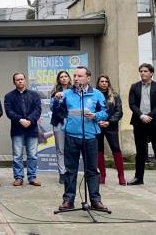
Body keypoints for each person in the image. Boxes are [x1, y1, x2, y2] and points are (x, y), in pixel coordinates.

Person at [52, 66, 109, 212]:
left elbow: (105, 112)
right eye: (75, 76)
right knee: (70, 170)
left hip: (90, 137)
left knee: (92, 170)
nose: (76, 78)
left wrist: (95, 116)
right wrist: (57, 101)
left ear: (88, 78)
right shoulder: (66, 94)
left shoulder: (97, 94)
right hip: (71, 136)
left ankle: (95, 200)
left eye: (79, 76)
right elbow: (56, 111)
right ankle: (68, 200)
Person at [127, 63, 156, 188]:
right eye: (141, 71)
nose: (142, 73)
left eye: (145, 71)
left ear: (151, 73)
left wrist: (149, 115)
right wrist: (141, 115)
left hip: (154, 122)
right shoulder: (134, 87)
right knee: (140, 152)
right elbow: (132, 103)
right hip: (139, 122)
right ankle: (138, 177)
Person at [4, 72, 42, 187]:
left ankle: (32, 177)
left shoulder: (34, 95)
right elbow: (9, 112)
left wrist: (30, 120)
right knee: (17, 155)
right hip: (17, 129)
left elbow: (38, 110)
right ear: (14, 82)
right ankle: (18, 177)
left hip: (32, 128)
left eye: (22, 79)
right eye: (17, 80)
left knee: (33, 155)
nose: (20, 81)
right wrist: (20, 120)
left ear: (25, 80)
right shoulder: (9, 96)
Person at [96, 74, 126, 185]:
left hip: (111, 126)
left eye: (106, 81)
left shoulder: (114, 95)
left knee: (116, 149)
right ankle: (102, 176)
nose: (104, 83)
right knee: (99, 150)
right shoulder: (94, 95)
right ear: (98, 83)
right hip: (98, 126)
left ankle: (121, 176)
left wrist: (109, 121)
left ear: (108, 83)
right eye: (102, 81)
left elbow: (119, 112)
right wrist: (99, 121)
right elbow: (92, 110)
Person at [50, 70, 72, 184]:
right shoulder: (55, 92)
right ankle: (62, 173)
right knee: (60, 150)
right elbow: (51, 108)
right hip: (58, 122)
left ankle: (70, 172)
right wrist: (56, 100)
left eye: (65, 76)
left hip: (72, 122)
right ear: (59, 79)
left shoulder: (74, 91)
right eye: (61, 77)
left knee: (71, 149)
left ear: (69, 78)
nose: (63, 78)